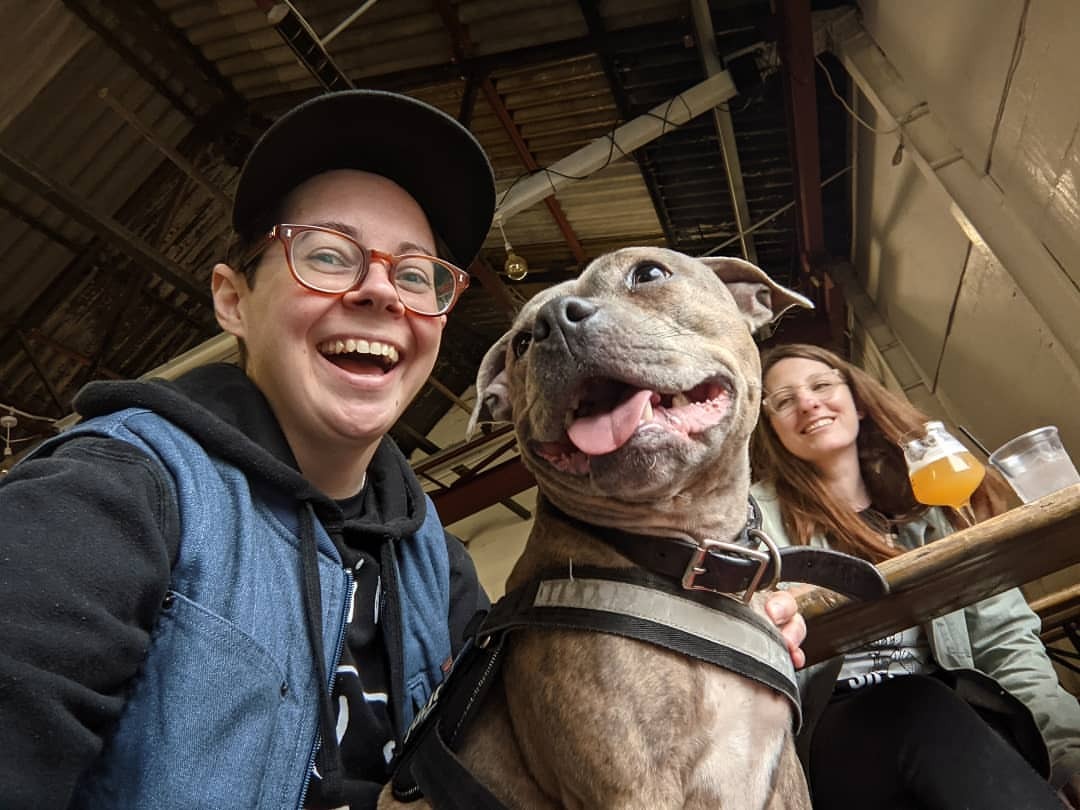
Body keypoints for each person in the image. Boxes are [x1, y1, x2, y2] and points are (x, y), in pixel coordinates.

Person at [0, 90, 808, 809]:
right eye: (326, 254)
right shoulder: (111, 492)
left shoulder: (437, 569)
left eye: (417, 274)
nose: (379, 290)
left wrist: (710, 612)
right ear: (233, 300)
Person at [751, 342, 1080, 810]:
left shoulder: (930, 508)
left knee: (954, 713)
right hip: (836, 741)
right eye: (783, 401)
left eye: (821, 385)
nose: (807, 402)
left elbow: (1004, 642)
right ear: (772, 429)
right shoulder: (753, 524)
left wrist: (1069, 751)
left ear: (858, 401)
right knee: (911, 703)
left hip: (959, 728)